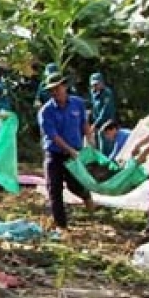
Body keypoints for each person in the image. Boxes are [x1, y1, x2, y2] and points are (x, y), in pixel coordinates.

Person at [38, 73, 95, 231]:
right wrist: (69, 150)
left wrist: (90, 140)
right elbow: (54, 136)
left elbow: (84, 124)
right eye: (52, 90)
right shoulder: (46, 111)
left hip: (75, 152)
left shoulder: (77, 104)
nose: (55, 92)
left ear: (64, 86)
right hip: (54, 154)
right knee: (54, 188)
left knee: (74, 185)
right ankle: (61, 226)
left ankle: (86, 196)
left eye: (57, 88)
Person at [89, 72, 115, 141]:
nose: (95, 86)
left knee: (105, 145)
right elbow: (93, 107)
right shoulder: (93, 92)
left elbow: (104, 112)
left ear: (102, 83)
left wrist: (94, 125)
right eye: (93, 84)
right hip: (98, 124)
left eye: (97, 84)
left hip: (107, 125)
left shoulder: (107, 93)